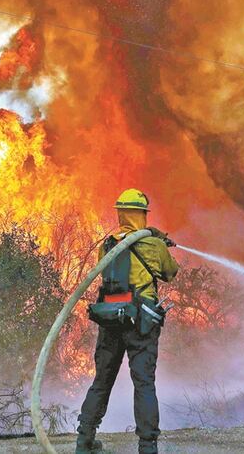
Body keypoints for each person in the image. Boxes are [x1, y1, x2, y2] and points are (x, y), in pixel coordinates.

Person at [76, 188, 179, 454]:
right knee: (144, 382)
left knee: (102, 380)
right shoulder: (153, 245)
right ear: (142, 215)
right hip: (140, 323)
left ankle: (84, 441)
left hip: (110, 319)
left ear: (121, 213)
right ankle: (147, 447)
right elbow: (170, 272)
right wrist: (159, 243)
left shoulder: (107, 246)